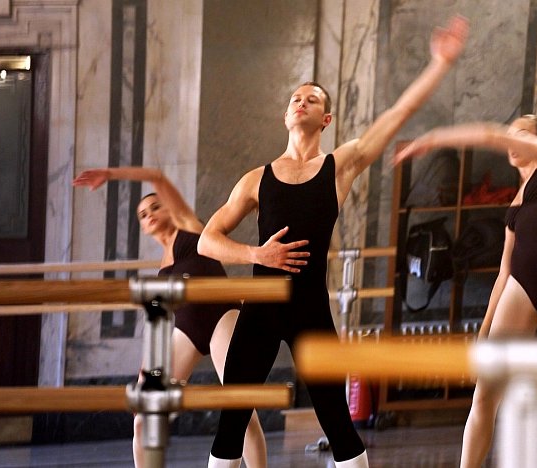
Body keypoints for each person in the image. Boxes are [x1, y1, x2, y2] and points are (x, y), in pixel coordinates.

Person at [197, 15, 469, 468]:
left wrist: (439, 64)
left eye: (311, 99)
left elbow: (395, 116)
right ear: (286, 116)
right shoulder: (255, 179)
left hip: (310, 308)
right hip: (261, 307)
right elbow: (207, 240)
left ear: (325, 119)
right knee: (230, 424)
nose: (300, 102)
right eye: (295, 98)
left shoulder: (339, 166)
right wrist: (256, 254)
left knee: (338, 424)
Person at [394, 114, 537, 466]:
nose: (512, 141)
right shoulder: (515, 204)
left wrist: (436, 136)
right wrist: (484, 330)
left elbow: (489, 134)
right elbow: (505, 271)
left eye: (521, 134)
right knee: (484, 393)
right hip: (522, 286)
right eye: (511, 136)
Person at [72, 167, 267, 468]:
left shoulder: (190, 227)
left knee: (241, 406)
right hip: (186, 331)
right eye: (142, 214)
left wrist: (109, 174)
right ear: (142, 227)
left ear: (169, 207)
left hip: (223, 317)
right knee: (143, 416)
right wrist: (146, 368)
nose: (149, 215)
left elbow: (157, 177)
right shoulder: (162, 268)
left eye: (155, 207)